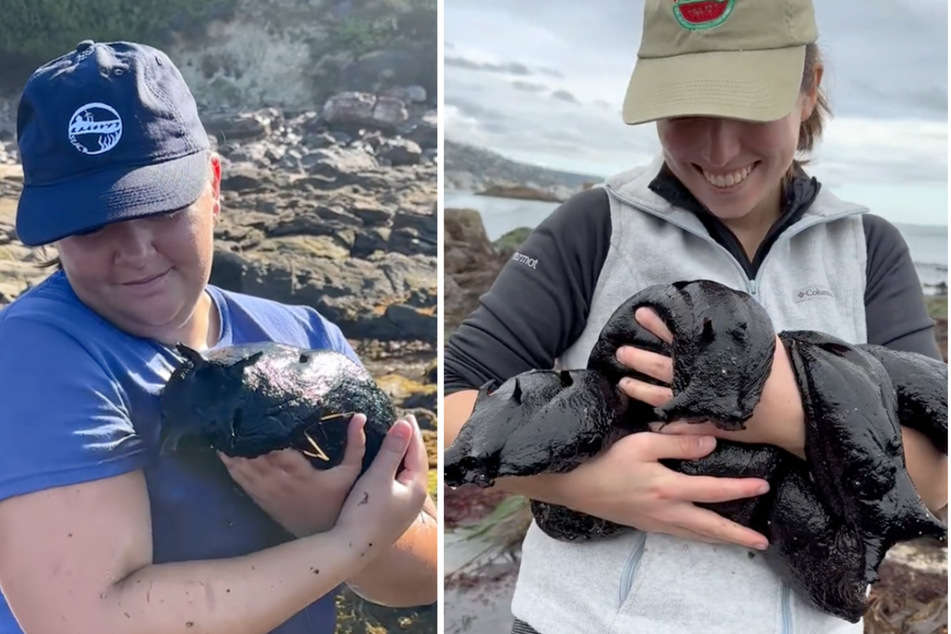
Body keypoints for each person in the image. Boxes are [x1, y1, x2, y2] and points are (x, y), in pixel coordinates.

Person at [443, 1, 947, 633]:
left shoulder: (868, 250)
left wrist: (788, 409)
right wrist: (577, 486)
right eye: (685, 109)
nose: (718, 148)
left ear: (809, 86)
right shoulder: (596, 227)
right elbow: (451, 400)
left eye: (748, 105)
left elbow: (928, 481)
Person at [0, 40, 437, 634]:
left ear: (213, 184)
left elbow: (420, 574)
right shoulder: (35, 354)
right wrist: (346, 541)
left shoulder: (308, 335)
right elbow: (89, 620)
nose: (133, 252)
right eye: (89, 224)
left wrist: (324, 517)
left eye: (159, 208)